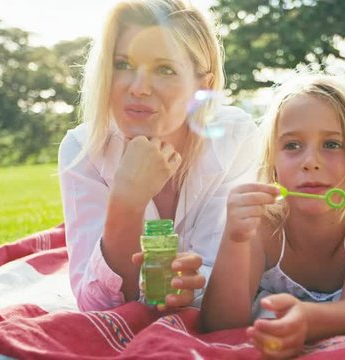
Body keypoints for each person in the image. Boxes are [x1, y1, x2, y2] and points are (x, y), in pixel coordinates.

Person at [58, 0, 261, 311]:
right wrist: (126, 202)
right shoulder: (83, 149)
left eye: (164, 69)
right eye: (123, 64)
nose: (138, 88)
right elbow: (95, 303)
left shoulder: (236, 137)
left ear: (202, 85)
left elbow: (227, 272)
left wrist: (189, 289)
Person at [201, 73, 345, 358]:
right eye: (292, 145)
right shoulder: (261, 226)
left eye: (332, 144)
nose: (310, 162)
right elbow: (219, 324)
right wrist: (234, 239)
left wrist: (306, 319)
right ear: (272, 160)